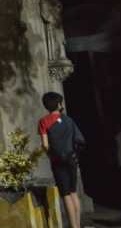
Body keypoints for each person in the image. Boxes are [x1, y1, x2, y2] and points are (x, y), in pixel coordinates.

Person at [39, 92, 86, 228]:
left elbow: (45, 145)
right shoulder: (68, 120)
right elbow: (79, 140)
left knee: (65, 194)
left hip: (57, 161)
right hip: (72, 159)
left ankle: (73, 226)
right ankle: (77, 224)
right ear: (59, 104)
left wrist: (50, 154)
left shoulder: (43, 121)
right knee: (73, 192)